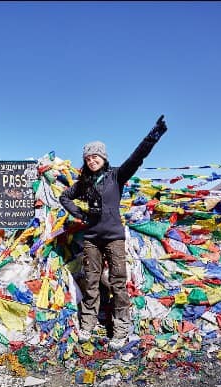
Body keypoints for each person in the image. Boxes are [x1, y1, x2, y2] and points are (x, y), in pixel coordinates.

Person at [59, 115, 167, 350]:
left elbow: (137, 158)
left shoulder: (116, 175)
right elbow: (64, 197)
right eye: (87, 158)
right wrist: (80, 214)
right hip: (91, 239)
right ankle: (87, 324)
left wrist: (153, 136)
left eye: (95, 156)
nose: (91, 161)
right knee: (91, 282)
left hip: (114, 238)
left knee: (118, 283)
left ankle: (120, 330)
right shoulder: (84, 183)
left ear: (104, 158)